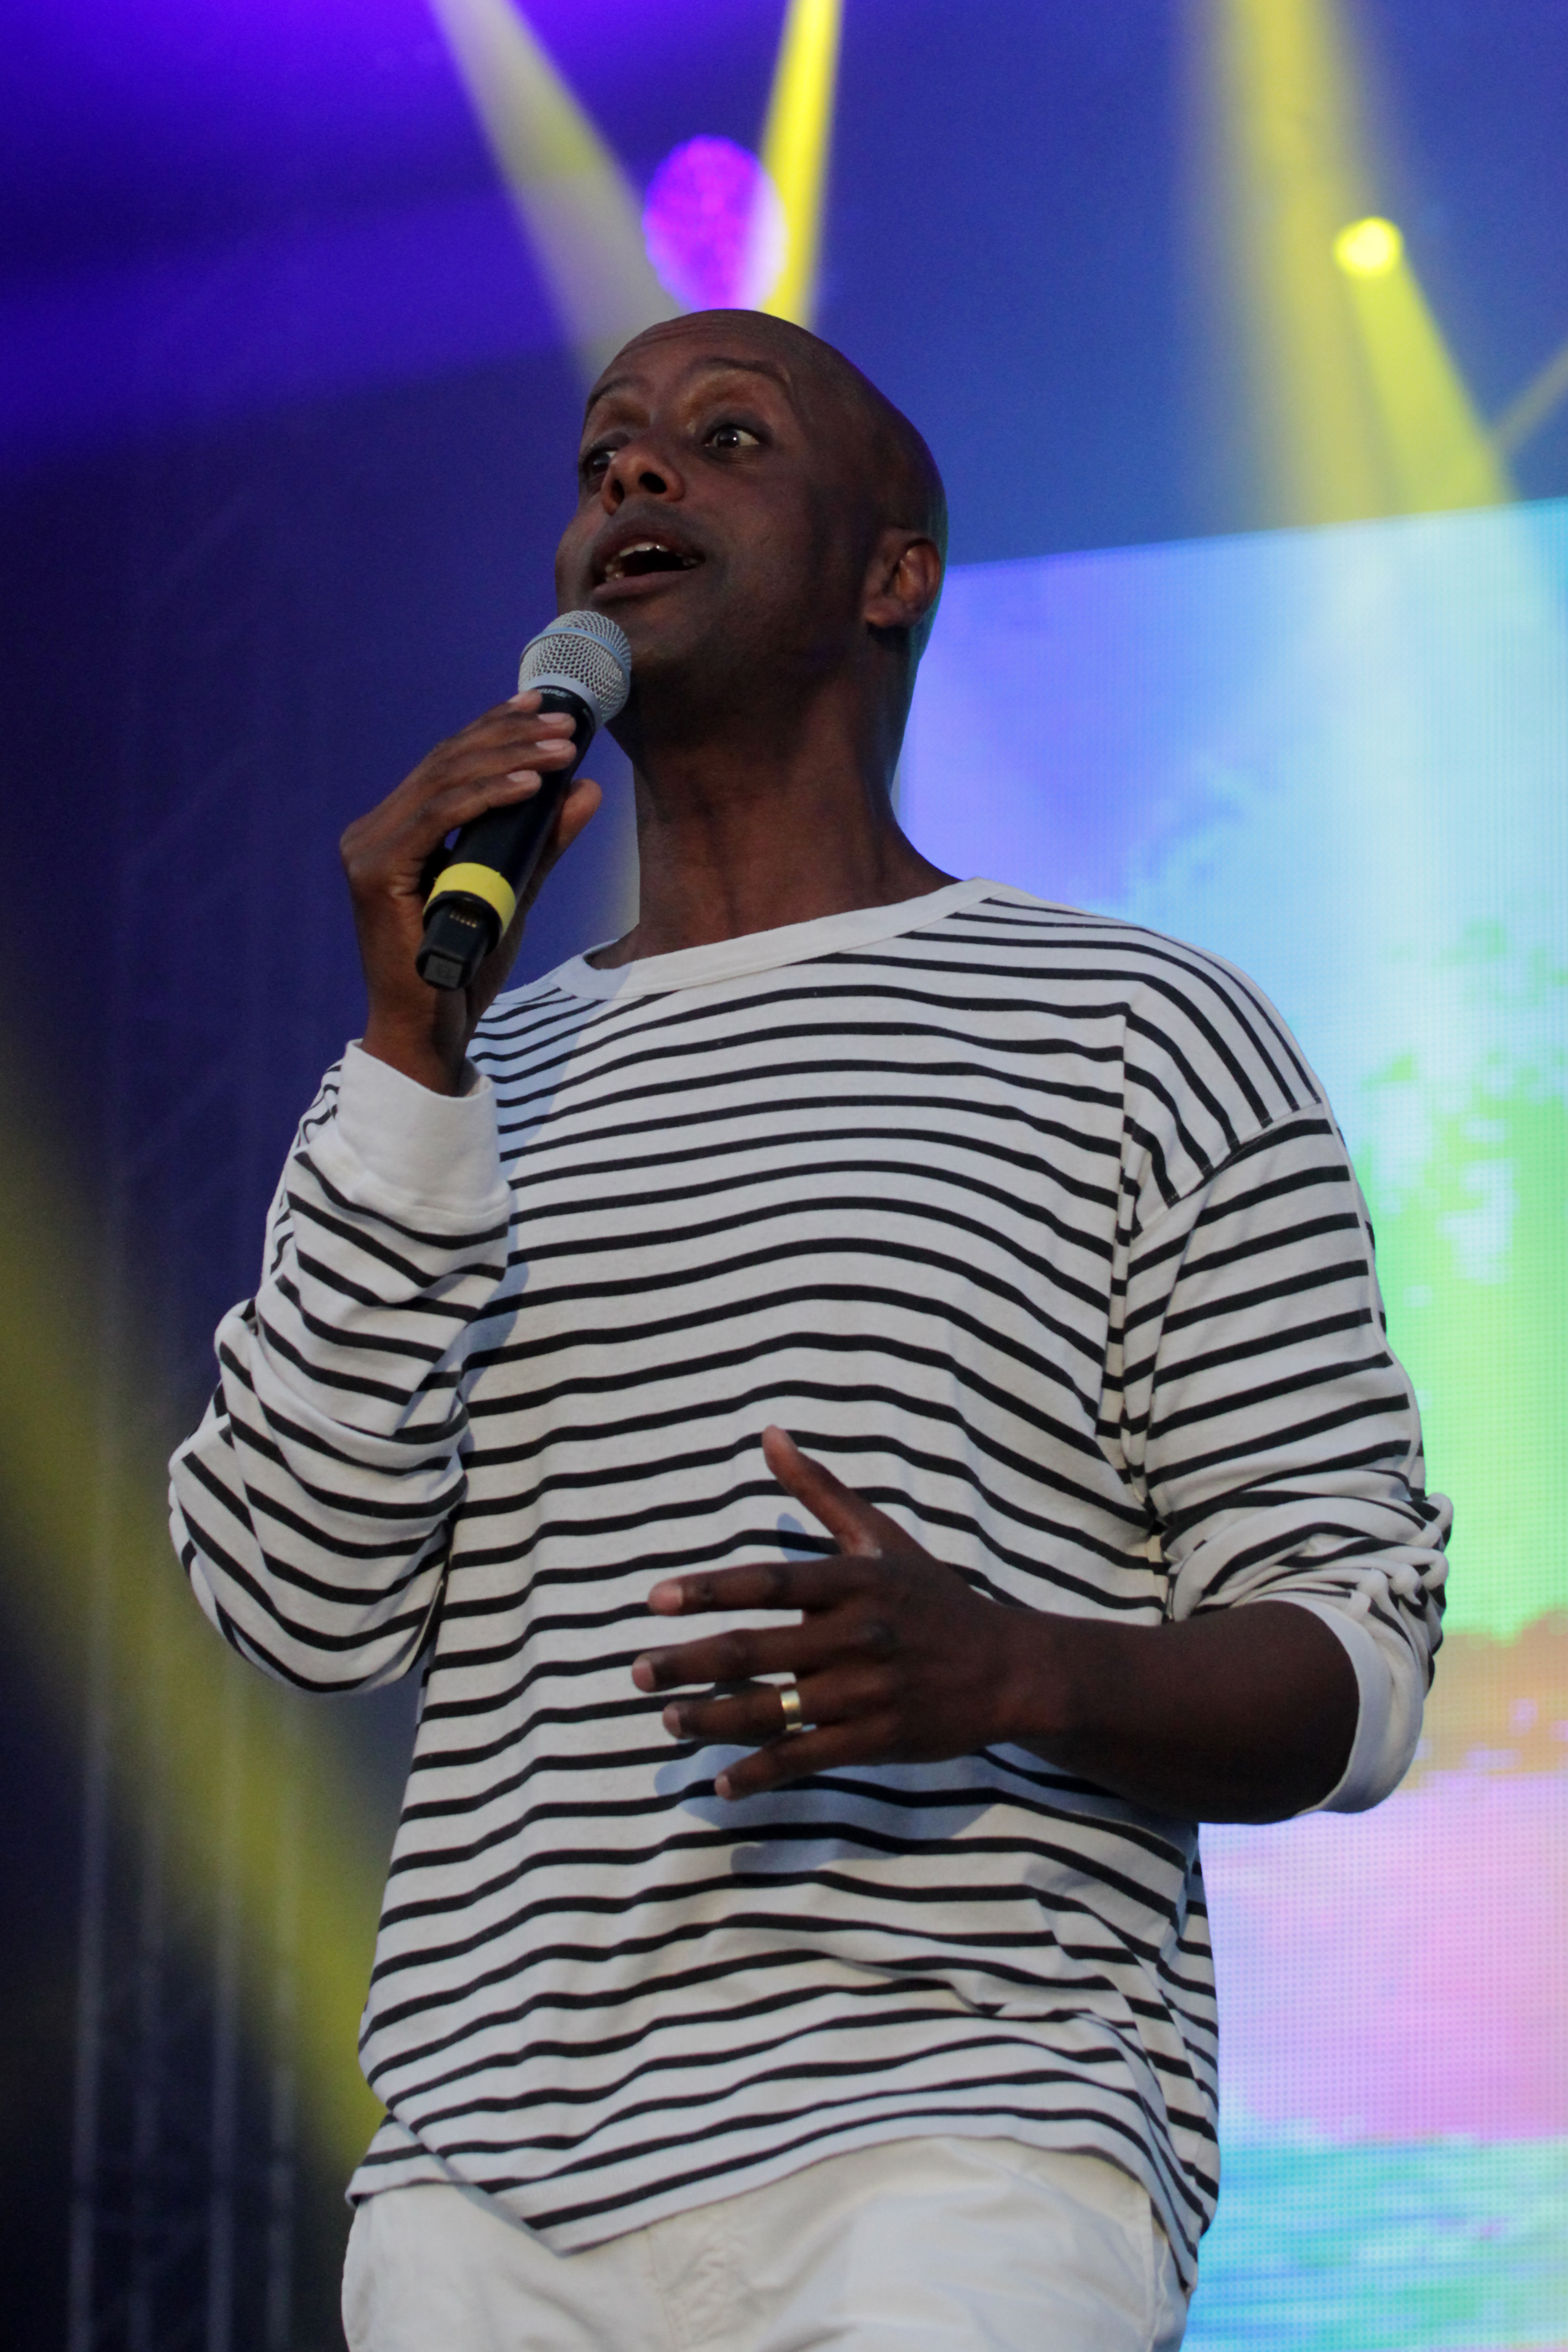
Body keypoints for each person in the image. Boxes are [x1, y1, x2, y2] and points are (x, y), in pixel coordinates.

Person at [169, 310, 1447, 2352]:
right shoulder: (448, 1090)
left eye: (725, 437)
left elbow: (1352, 1659)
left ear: (889, 572)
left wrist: (1020, 1662)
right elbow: (294, 1610)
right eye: (602, 454)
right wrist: (408, 1054)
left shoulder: (1134, 1029)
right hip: (484, 2204)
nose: (632, 474)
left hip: (958, 2146)